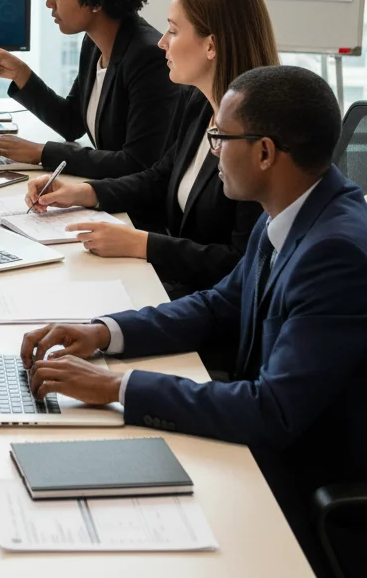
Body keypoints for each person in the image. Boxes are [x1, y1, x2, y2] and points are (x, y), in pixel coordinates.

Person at [20, 65, 367, 577]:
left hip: (297, 483)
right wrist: (103, 332)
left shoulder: (334, 250)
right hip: (258, 447)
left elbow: (272, 412)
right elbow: (217, 306)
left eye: (220, 137)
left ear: (266, 152)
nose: (211, 151)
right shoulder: (290, 211)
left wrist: (117, 388)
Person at [24, 0, 279, 297]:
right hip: (179, 286)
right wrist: (82, 193)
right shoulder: (199, 102)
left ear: (211, 46)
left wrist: (143, 245)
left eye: (173, 31)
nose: (162, 42)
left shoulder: (256, 140)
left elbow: (240, 264)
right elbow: (159, 177)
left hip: (208, 305)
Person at [0, 0, 179, 205]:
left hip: (133, 213)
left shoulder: (147, 57)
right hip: (107, 199)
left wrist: (40, 152)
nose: (48, 3)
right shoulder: (94, 43)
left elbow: (136, 163)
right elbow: (72, 122)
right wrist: (20, 73)